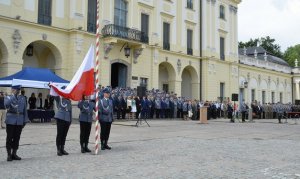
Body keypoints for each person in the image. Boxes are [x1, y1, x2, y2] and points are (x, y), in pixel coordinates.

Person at [4, 85, 28, 161]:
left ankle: (14, 153)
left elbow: (25, 110)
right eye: (15, 90)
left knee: (17, 137)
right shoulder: (8, 97)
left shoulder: (23, 98)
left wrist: (25, 120)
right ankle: (9, 154)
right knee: (9, 137)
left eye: (18, 90)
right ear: (12, 90)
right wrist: (13, 96)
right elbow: (6, 105)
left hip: (19, 120)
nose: (17, 91)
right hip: (10, 120)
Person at [53, 87, 72, 156]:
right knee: (60, 134)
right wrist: (52, 87)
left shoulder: (69, 101)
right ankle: (58, 149)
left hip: (67, 119)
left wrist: (70, 120)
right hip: (60, 118)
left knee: (64, 134)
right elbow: (54, 95)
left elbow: (70, 111)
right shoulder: (59, 98)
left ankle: (62, 148)